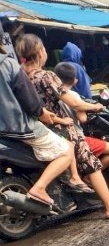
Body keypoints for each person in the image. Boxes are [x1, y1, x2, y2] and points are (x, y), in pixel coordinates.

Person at [16, 34, 109, 219]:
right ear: (39, 53)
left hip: (37, 129)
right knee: (92, 165)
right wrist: (95, 106)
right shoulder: (46, 76)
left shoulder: (20, 77)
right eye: (44, 49)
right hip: (61, 129)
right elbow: (75, 103)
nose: (45, 52)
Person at [0, 45, 74, 207]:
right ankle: (39, 188)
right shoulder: (8, 64)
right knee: (67, 149)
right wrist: (43, 114)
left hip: (4, 135)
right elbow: (29, 100)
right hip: (19, 127)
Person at [54, 62, 109, 170]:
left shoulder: (51, 93)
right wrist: (93, 108)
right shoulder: (74, 96)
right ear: (75, 80)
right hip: (76, 138)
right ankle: (90, 177)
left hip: (58, 137)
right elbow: (83, 119)